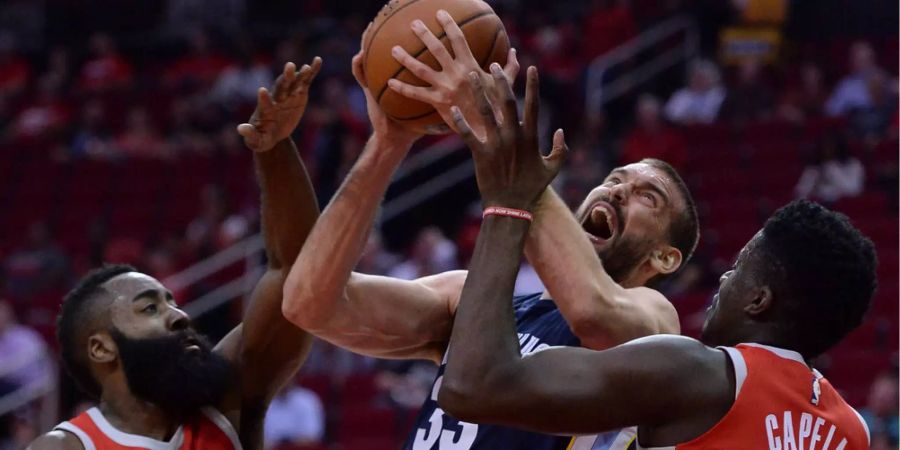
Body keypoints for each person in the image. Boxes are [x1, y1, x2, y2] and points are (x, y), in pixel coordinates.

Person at [282, 11, 699, 449]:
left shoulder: (656, 320)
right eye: (614, 179)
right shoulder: (472, 303)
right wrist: (389, 141)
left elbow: (593, 313)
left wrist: (487, 122)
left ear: (665, 257)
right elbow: (309, 304)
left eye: (646, 196)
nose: (617, 191)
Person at [435, 72, 876, 449]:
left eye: (740, 266)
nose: (724, 276)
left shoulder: (696, 374)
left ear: (760, 300)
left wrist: (510, 202)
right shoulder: (852, 431)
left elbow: (472, 387)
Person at [27, 58, 323, 450]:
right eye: (149, 309)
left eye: (170, 303)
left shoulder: (227, 403)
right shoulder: (65, 447)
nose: (180, 316)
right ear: (102, 348)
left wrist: (275, 149)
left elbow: (296, 277)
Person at [794, 131, 864, 203]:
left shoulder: (853, 164)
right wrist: (812, 182)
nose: (827, 150)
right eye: (825, 146)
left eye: (831, 146)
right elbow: (800, 194)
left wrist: (831, 169)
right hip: (819, 208)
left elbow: (853, 190)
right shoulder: (814, 168)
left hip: (845, 207)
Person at [664, 59, 725, 125]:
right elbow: (669, 114)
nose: (698, 81)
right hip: (681, 130)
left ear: (712, 79)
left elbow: (714, 116)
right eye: (695, 77)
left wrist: (696, 119)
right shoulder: (681, 94)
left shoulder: (719, 95)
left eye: (702, 78)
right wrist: (685, 119)